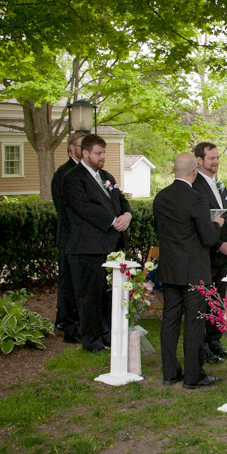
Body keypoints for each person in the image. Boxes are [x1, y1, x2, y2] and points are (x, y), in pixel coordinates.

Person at [153, 153, 225, 388]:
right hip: (194, 269)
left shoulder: (161, 197)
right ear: (194, 171)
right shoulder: (196, 199)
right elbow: (208, 238)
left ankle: (170, 372)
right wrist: (216, 224)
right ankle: (193, 376)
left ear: (174, 170)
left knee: (170, 320)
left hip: (170, 267)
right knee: (194, 322)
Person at [62, 134, 132, 352]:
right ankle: (92, 340)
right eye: (98, 153)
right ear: (85, 153)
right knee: (89, 296)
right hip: (86, 248)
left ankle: (108, 334)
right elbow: (83, 207)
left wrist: (127, 215)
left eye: (104, 152)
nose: (102, 157)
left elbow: (121, 199)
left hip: (110, 246)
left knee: (108, 294)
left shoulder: (106, 176)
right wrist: (113, 221)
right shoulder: (73, 178)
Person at [192, 141, 227, 363]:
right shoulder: (195, 187)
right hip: (206, 255)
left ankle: (216, 343)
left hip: (222, 257)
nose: (216, 162)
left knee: (219, 301)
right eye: (211, 158)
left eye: (218, 158)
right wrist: (219, 245)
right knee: (204, 301)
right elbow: (200, 224)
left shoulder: (220, 186)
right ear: (199, 160)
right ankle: (203, 347)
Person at [51, 131, 85, 343]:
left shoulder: (90, 172)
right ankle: (66, 322)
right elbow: (64, 209)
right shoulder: (63, 174)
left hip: (84, 240)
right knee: (68, 282)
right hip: (70, 237)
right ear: (71, 147)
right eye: (82, 145)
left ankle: (79, 320)